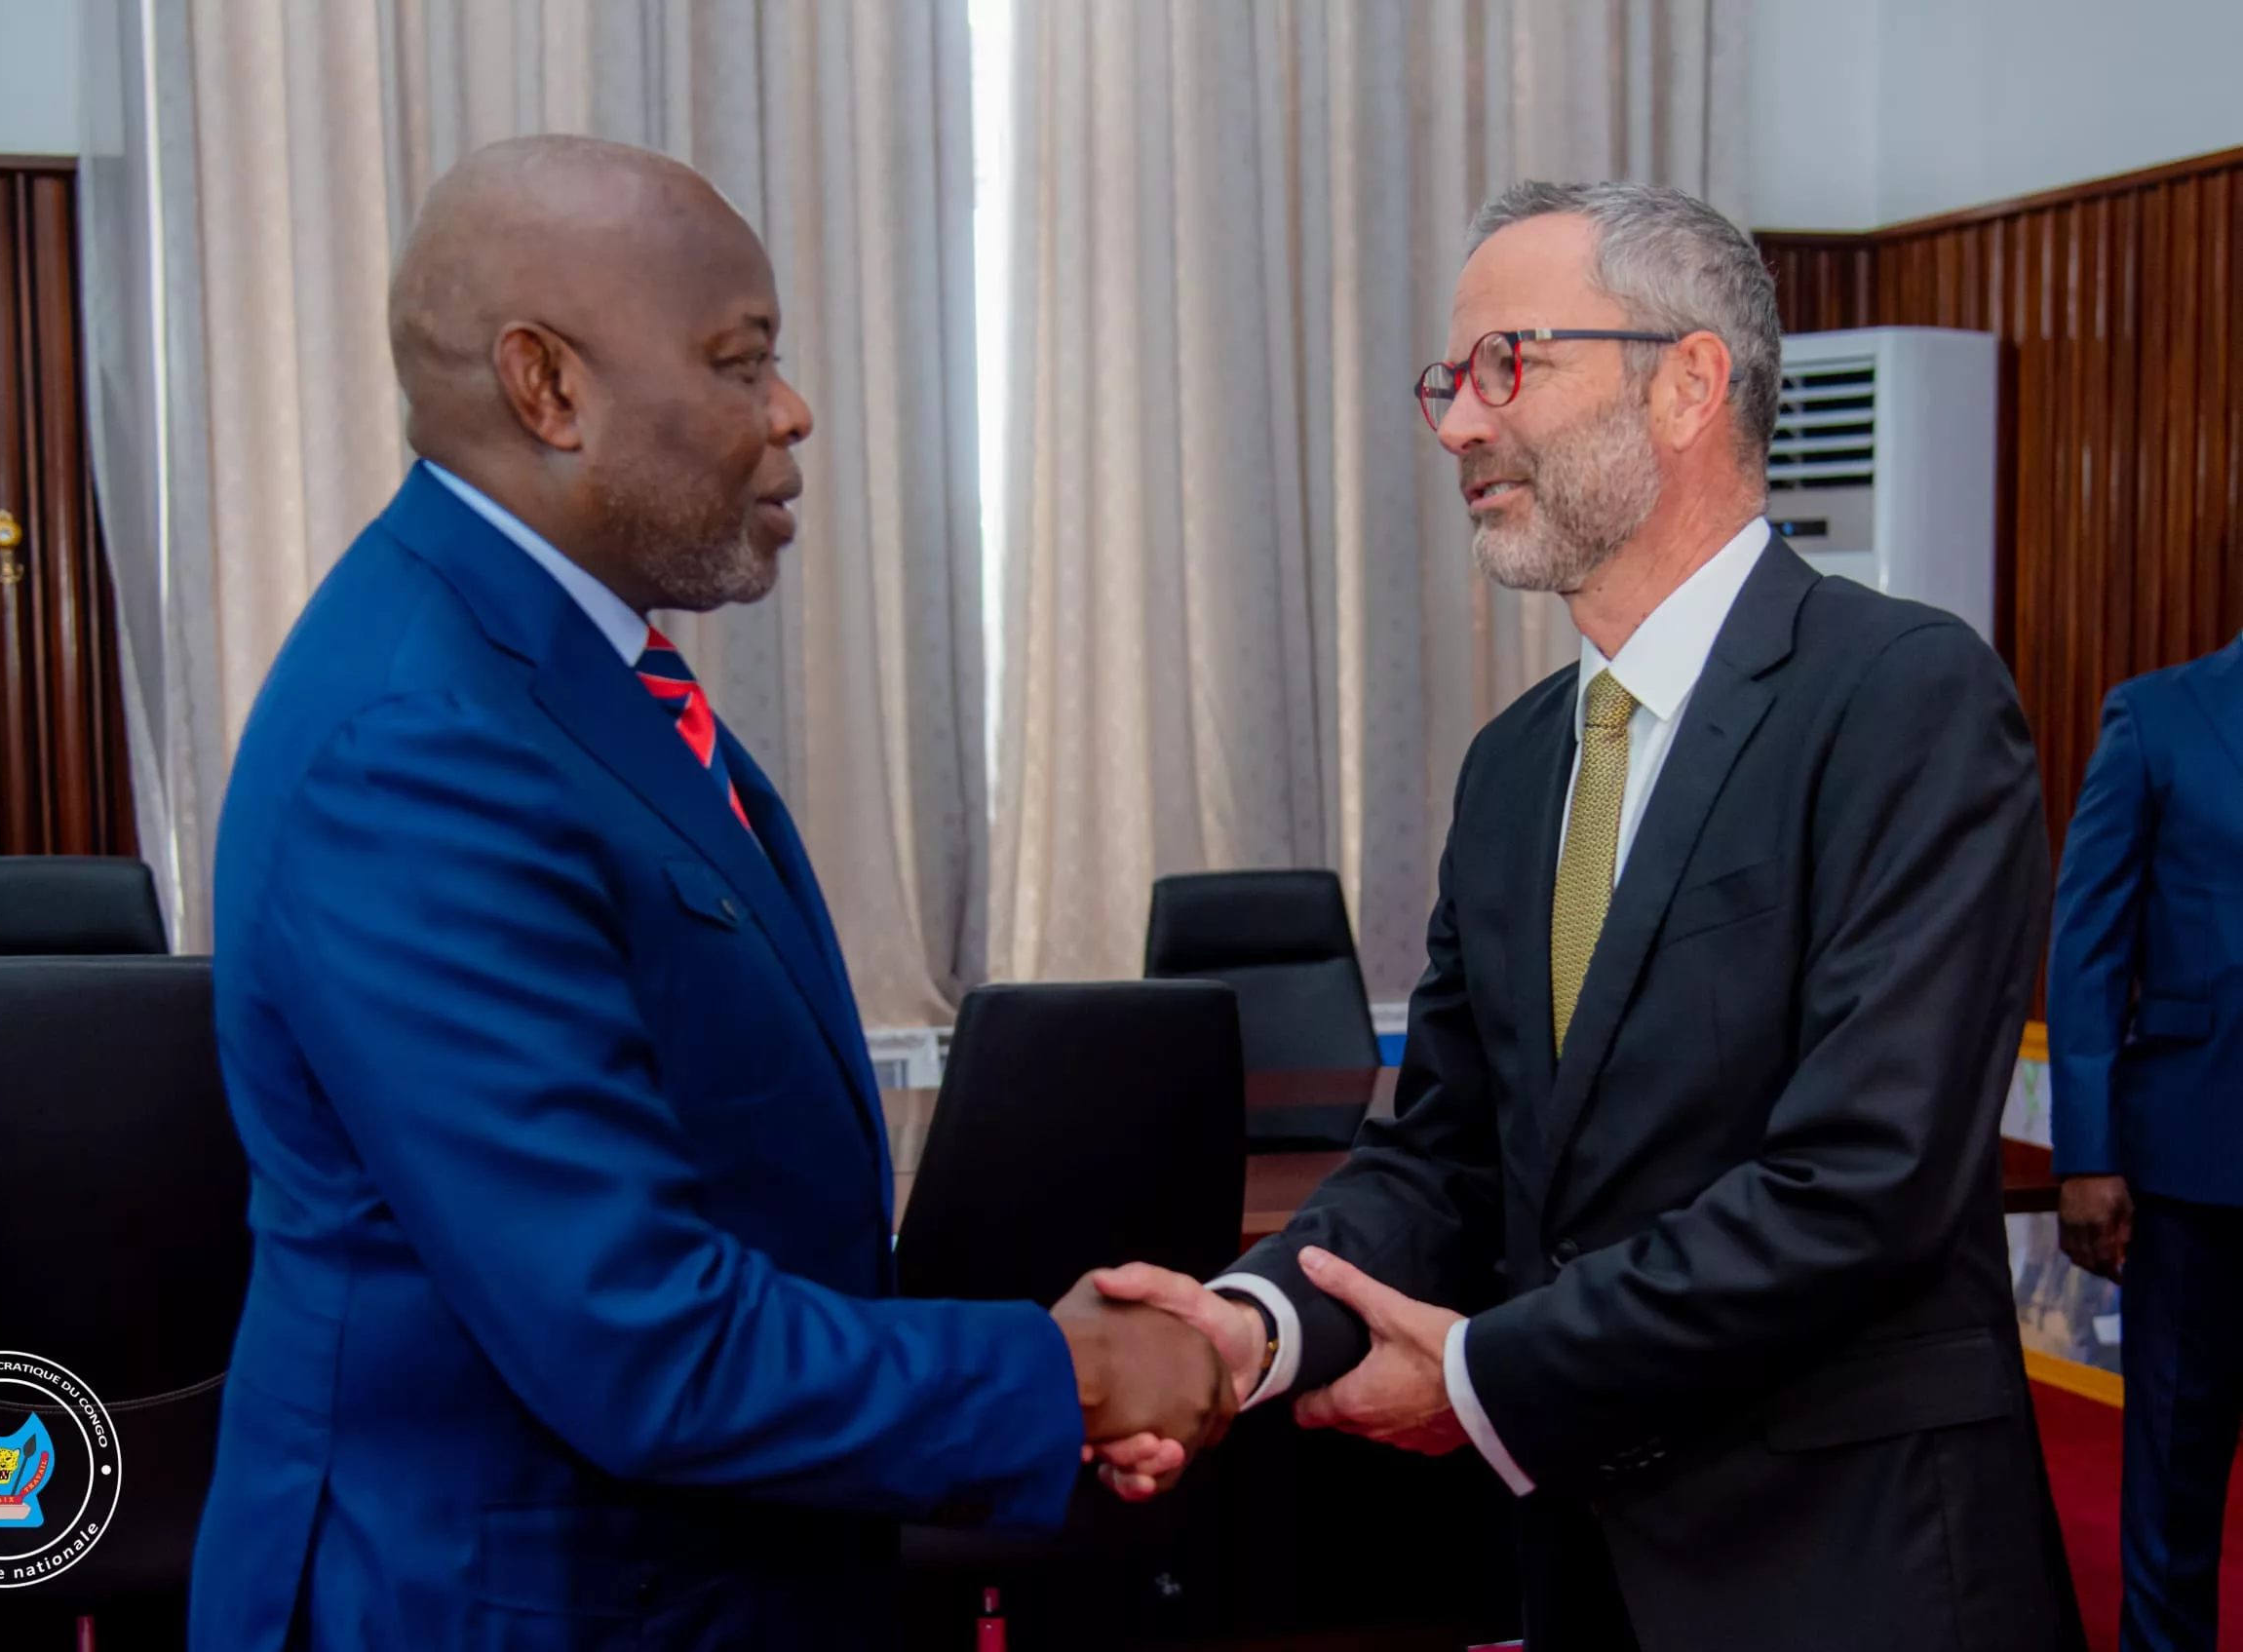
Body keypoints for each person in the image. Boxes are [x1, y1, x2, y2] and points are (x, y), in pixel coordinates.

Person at [188, 135, 1231, 1651]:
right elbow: (634, 1334)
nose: (791, 410)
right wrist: (1058, 1374)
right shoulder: (417, 740)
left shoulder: (565, 670)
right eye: (741, 362)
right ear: (547, 387)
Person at [1094, 180, 2082, 1650]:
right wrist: (1251, 1323)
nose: (1455, 426)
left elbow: (1856, 1183)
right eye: (1447, 379)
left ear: (1687, 381)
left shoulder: (1903, 698)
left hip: (1849, 1566)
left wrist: (1488, 1371)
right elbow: (1441, 1154)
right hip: (1578, 1566)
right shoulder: (1512, 766)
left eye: (1510, 364)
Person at [2050, 630, 2243, 1651]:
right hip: (2192, 1170)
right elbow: (2088, 940)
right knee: (2173, 1478)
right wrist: (2085, 1151)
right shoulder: (2156, 714)